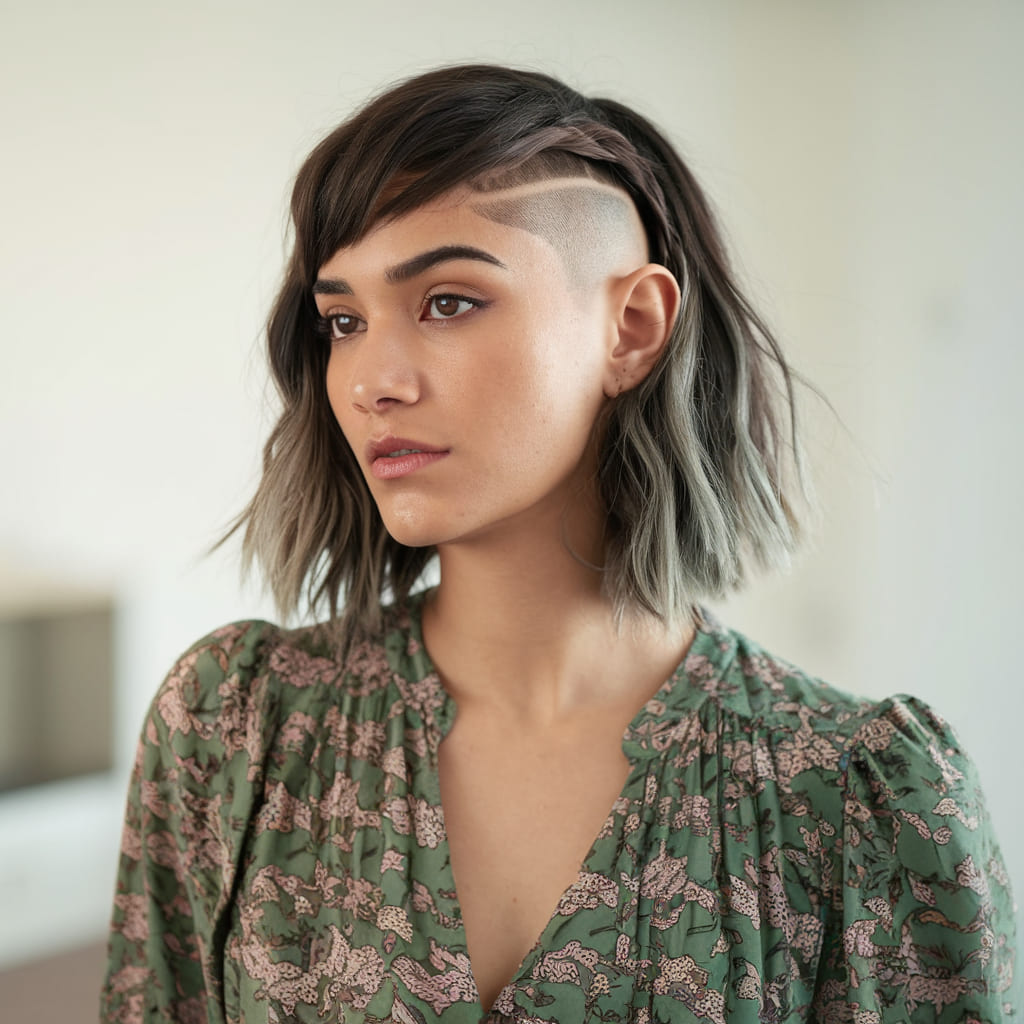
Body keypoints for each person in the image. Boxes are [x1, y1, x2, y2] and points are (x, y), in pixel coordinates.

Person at [101, 64, 1016, 1023]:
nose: (372, 378)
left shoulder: (864, 802)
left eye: (447, 301)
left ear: (632, 328)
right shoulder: (235, 731)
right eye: (344, 320)